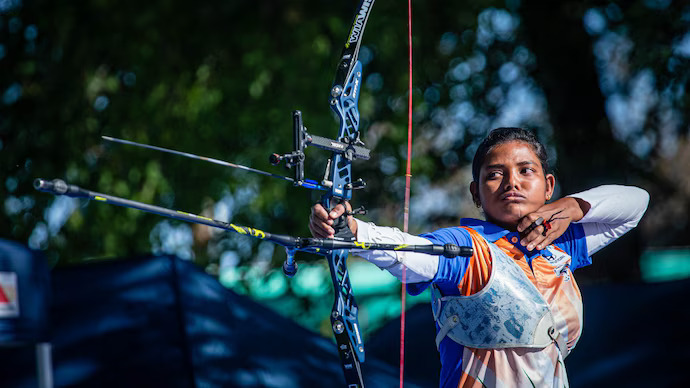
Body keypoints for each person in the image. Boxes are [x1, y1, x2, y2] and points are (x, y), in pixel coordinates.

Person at [309, 127, 649, 387]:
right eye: (494, 174)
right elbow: (410, 253)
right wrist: (352, 232)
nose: (511, 182)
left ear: (548, 185)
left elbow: (635, 204)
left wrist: (572, 207)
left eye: (525, 170)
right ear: (476, 193)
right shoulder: (467, 247)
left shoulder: (561, 243)